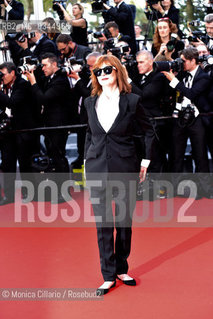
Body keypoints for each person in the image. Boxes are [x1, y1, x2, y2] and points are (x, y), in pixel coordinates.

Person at [84, 55, 154, 294]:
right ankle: (108, 275)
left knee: (124, 222)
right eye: (97, 71)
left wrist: (145, 161)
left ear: (118, 72)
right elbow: (89, 133)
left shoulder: (132, 101)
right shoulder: (88, 101)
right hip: (96, 169)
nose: (102, 74)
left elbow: (149, 131)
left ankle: (122, 268)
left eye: (107, 69)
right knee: (103, 224)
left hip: (125, 168)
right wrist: (85, 161)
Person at [162, 46, 213, 198]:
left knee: (200, 154)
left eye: (183, 61)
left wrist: (174, 81)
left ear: (192, 61)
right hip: (180, 118)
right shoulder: (182, 74)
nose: (181, 63)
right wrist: (174, 77)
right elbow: (173, 92)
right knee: (176, 154)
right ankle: (176, 188)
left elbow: (190, 93)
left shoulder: (204, 76)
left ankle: (205, 189)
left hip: (197, 118)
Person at [25, 53, 71, 203]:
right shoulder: (50, 78)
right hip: (50, 125)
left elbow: (44, 98)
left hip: (58, 125)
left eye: (45, 65)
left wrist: (33, 82)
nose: (42, 68)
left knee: (59, 157)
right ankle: (59, 190)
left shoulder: (60, 80)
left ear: (54, 64)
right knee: (55, 157)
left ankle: (64, 193)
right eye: (42, 65)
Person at [0, 62, 39, 205]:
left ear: (12, 73)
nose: (1, 77)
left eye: (3, 74)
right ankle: (9, 196)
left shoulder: (22, 84)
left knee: (25, 164)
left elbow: (12, 102)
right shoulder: (4, 86)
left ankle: (29, 193)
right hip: (8, 131)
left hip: (23, 130)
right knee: (7, 164)